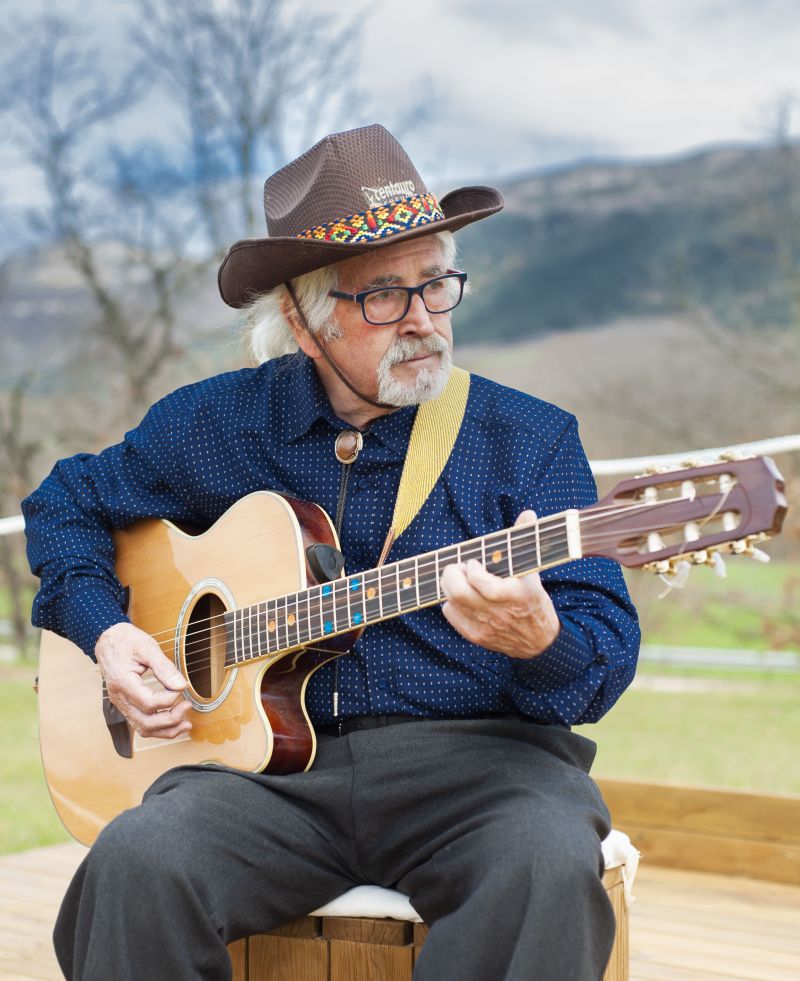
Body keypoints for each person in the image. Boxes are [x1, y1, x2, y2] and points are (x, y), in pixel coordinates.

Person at [23, 123, 640, 981]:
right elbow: (65, 504)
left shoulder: (527, 439)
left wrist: (543, 640)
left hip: (479, 770)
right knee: (138, 862)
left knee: (541, 864)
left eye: (436, 285)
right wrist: (109, 634)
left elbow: (602, 654)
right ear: (302, 318)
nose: (422, 320)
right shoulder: (219, 424)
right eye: (383, 296)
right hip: (258, 780)